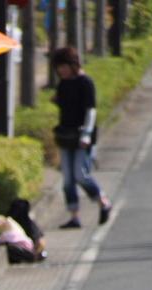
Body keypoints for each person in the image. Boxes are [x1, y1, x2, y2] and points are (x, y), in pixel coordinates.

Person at [52, 46, 112, 230]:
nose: (62, 70)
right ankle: (74, 215)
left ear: (73, 64)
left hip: (82, 136)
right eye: (59, 67)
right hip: (65, 134)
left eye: (65, 66)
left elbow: (90, 110)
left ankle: (102, 201)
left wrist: (86, 133)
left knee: (80, 174)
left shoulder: (85, 82)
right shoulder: (62, 84)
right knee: (68, 178)